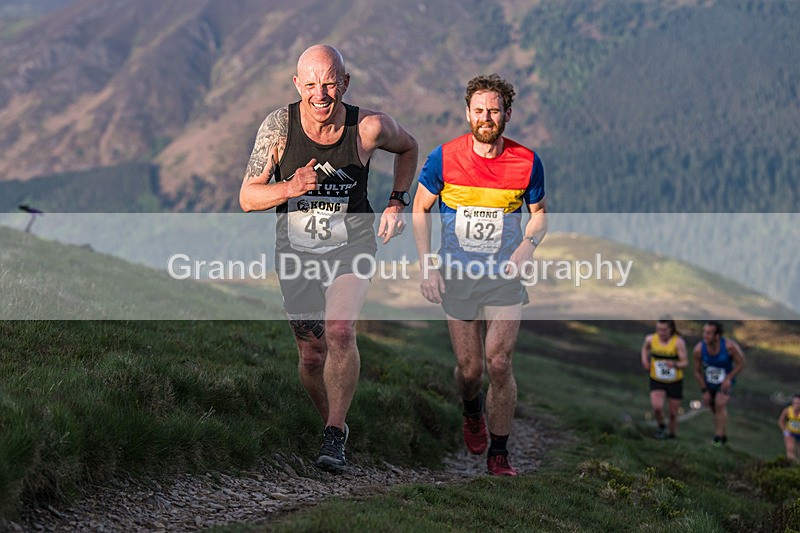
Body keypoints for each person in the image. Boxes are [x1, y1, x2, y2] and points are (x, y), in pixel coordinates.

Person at [239, 44, 418, 472]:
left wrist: (396, 201)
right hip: (297, 252)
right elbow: (247, 197)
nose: (321, 94)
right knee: (312, 355)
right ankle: (333, 427)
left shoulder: (368, 129)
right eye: (312, 85)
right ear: (297, 84)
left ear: (345, 83)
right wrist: (288, 189)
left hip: (351, 245)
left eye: (331, 83)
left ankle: (334, 434)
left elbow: (409, 147)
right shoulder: (279, 128)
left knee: (339, 331)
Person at [412, 74, 547, 476]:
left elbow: (539, 217)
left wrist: (528, 246)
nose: (486, 117)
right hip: (457, 275)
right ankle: (472, 409)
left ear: (507, 113)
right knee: (471, 370)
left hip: (504, 274)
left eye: (494, 110)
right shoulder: (443, 158)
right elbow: (419, 210)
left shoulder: (527, 162)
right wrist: (427, 265)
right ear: (467, 113)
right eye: (479, 110)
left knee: (500, 363)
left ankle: (499, 453)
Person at [692, 321, 746, 446]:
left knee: (720, 404)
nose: (705, 335)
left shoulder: (729, 347)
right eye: (704, 332)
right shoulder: (699, 350)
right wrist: (704, 390)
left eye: (709, 333)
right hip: (709, 382)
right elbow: (697, 371)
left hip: (725, 383)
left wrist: (728, 378)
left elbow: (742, 363)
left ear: (717, 335)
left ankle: (718, 438)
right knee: (714, 408)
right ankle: (722, 434)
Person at [640, 318, 688, 439]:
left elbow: (685, 362)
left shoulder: (678, 342)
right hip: (657, 379)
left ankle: (672, 435)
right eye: (658, 329)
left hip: (674, 381)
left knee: (672, 413)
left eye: (664, 329)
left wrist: (675, 364)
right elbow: (645, 348)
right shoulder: (650, 339)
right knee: (657, 407)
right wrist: (645, 361)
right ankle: (661, 426)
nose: (661, 332)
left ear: (671, 329)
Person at [778, 394, 800, 462]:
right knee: (790, 449)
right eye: (795, 403)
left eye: (798, 403)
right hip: (790, 433)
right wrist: (785, 431)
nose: (797, 405)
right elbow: (780, 421)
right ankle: (792, 465)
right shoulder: (787, 410)